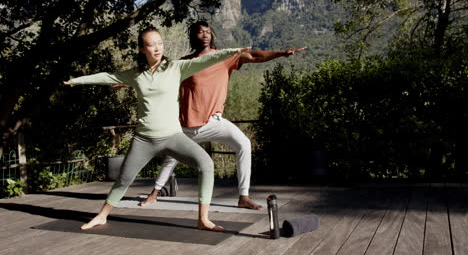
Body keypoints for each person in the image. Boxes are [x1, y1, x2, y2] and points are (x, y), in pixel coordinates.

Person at [64, 27, 250, 231]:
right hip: (144, 139)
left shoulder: (176, 68)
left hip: (173, 137)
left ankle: (203, 219)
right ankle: (102, 215)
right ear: (142, 49)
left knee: (206, 163)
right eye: (151, 44)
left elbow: (205, 61)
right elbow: (108, 77)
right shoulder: (136, 75)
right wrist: (75, 81)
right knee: (124, 179)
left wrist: (232, 51)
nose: (157, 48)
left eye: (160, 43)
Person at [139, 21, 307, 210]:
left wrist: (281, 53)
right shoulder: (185, 63)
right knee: (171, 158)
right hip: (186, 125)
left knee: (244, 144)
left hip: (213, 122)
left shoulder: (223, 58)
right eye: (200, 32)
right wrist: (132, 82)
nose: (205, 35)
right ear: (194, 36)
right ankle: (154, 194)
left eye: (208, 32)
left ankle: (244, 196)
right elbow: (156, 75)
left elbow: (253, 56)